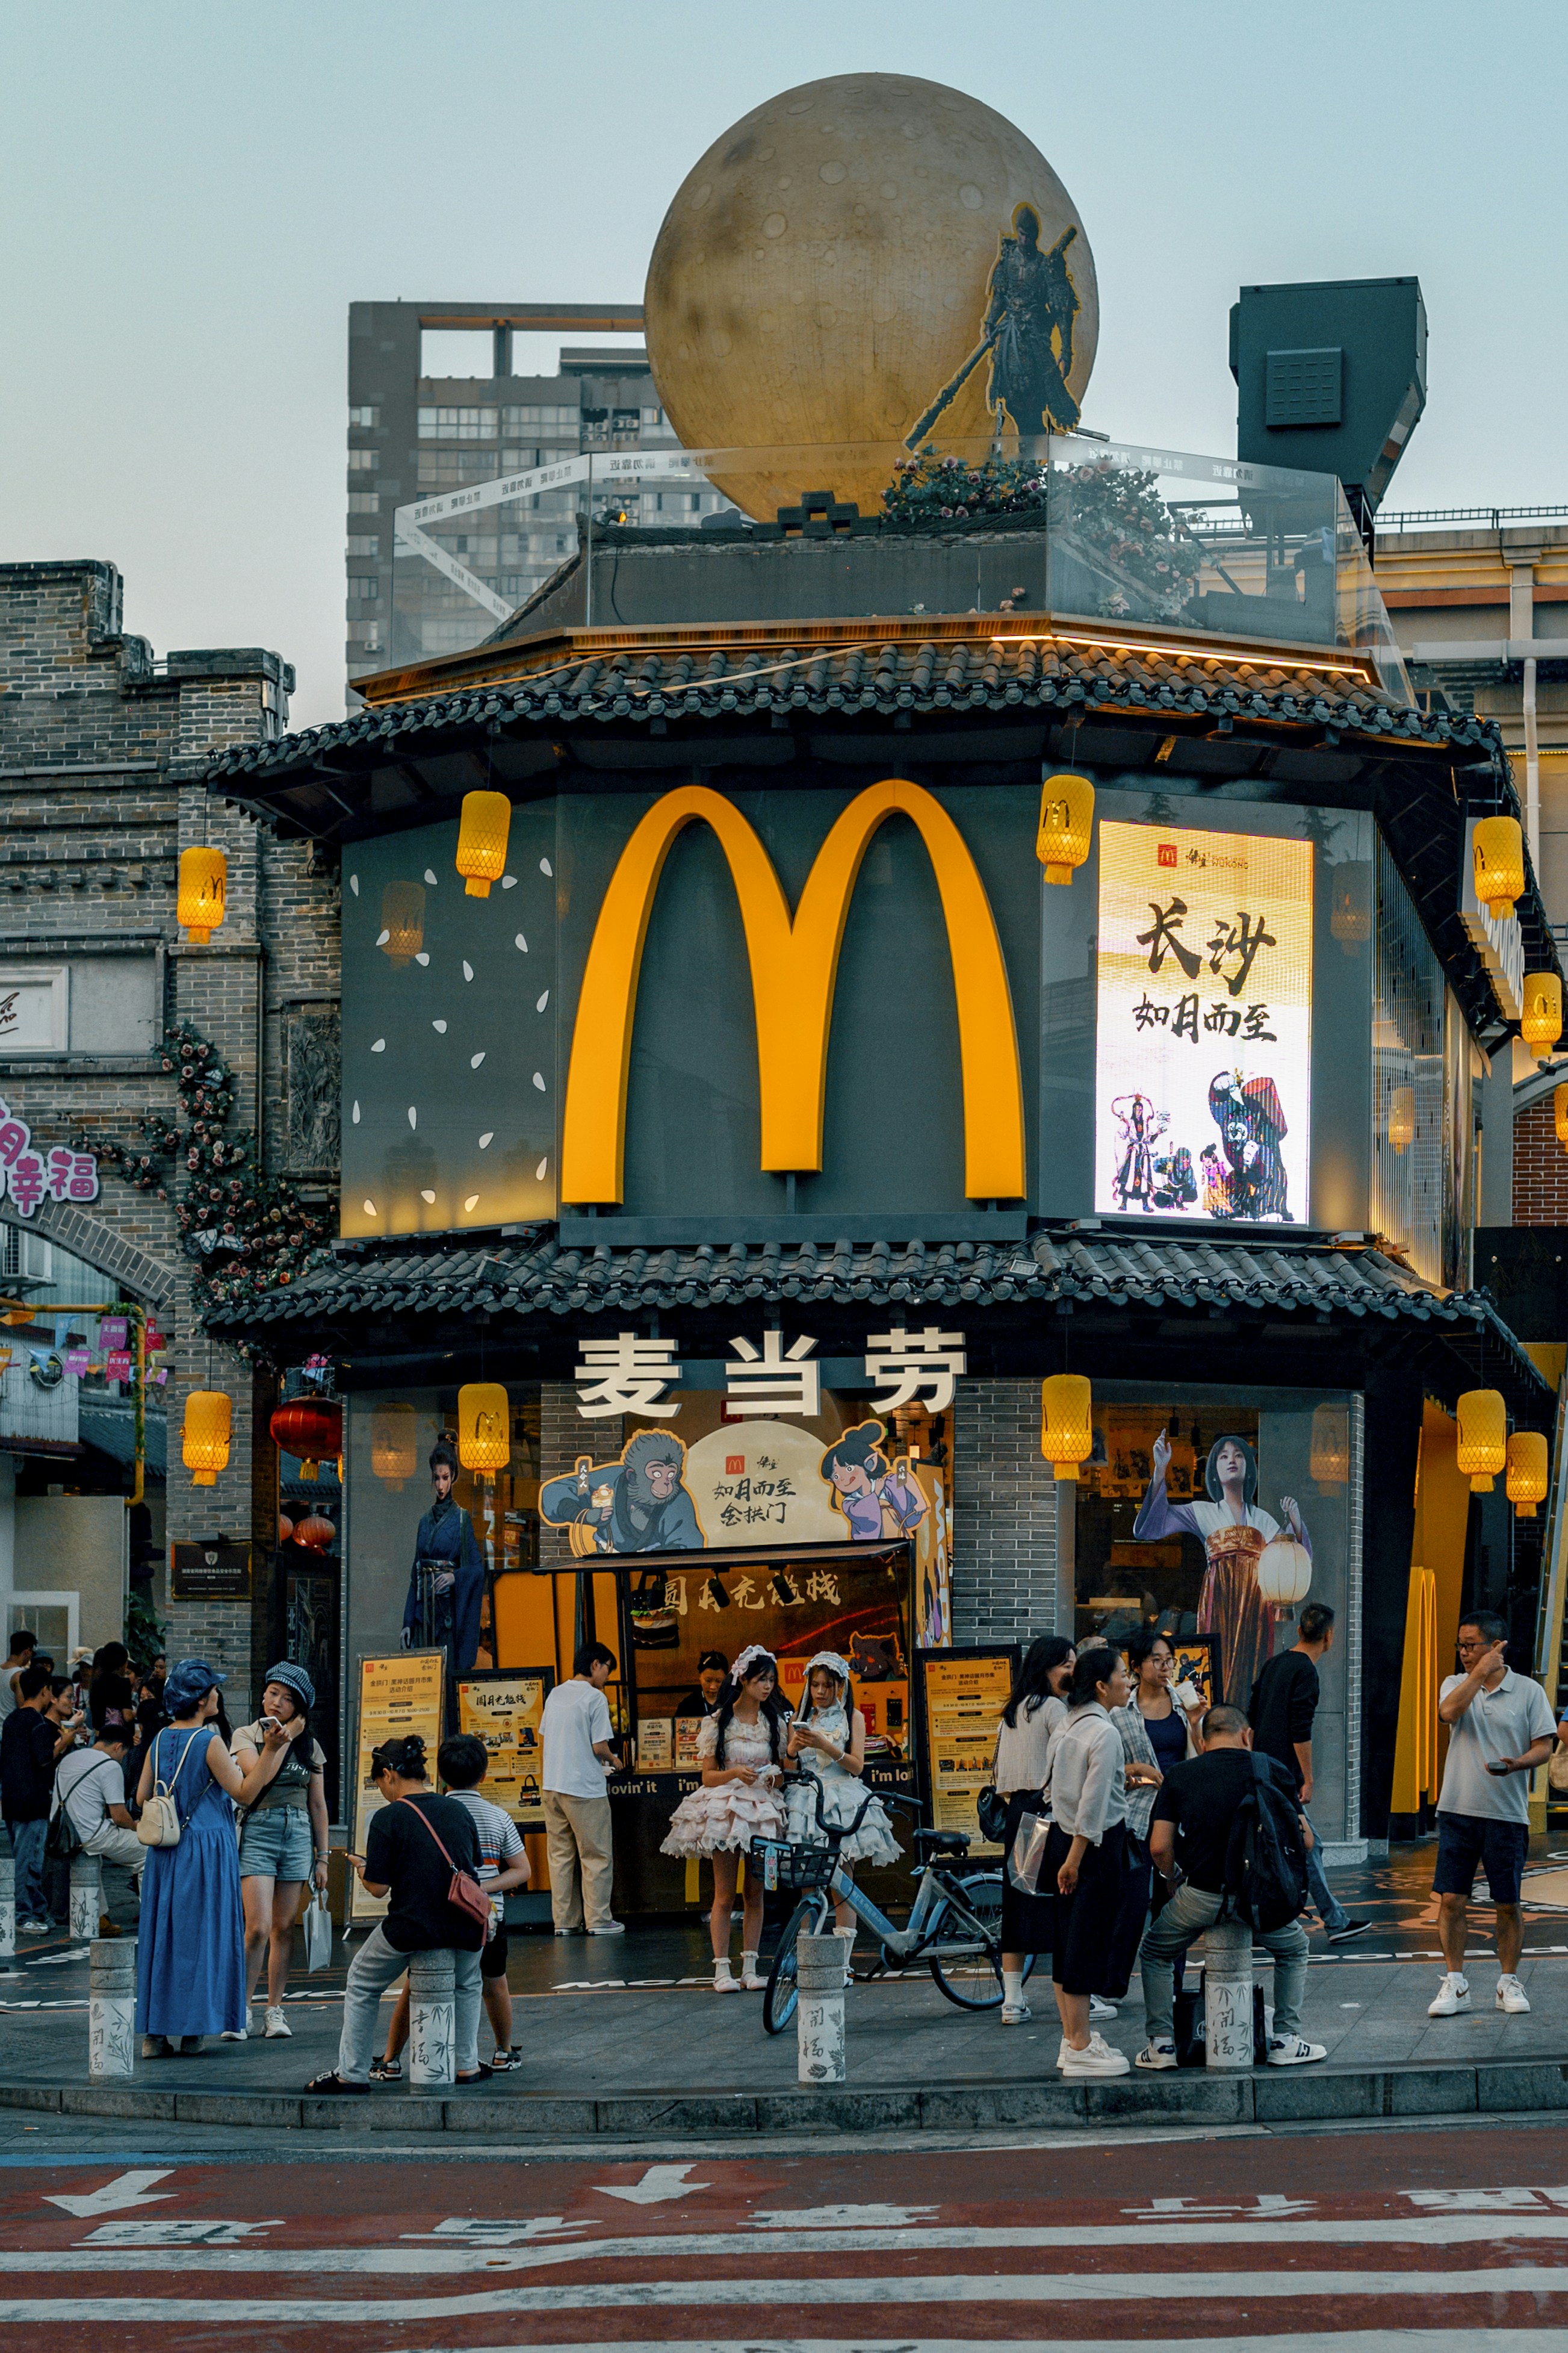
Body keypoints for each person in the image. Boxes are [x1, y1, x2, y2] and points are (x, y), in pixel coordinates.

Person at [1135, 1702, 1326, 2070]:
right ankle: (1286, 2039)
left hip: (1201, 1893)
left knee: (1156, 1952)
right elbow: (1305, 1841)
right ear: (1246, 1736)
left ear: (1204, 1743)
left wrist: (1174, 1879)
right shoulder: (1272, 1769)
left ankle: (1161, 2046)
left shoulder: (1181, 1775)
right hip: (1261, 1897)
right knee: (1294, 1949)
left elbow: (1159, 1846)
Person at [305, 1731, 489, 2094]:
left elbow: (379, 1888)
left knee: (361, 1981)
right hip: (466, 1922)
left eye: (380, 1783)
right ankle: (466, 2064)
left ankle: (352, 2073)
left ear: (388, 1774)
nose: (382, 1791)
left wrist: (362, 1869)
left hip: (413, 1925)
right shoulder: (457, 1808)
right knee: (468, 1983)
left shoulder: (388, 1817)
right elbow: (473, 1866)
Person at [135, 1659, 295, 2057]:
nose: (218, 1695)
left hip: (164, 1850)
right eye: (214, 1689)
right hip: (205, 1846)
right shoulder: (208, 1741)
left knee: (164, 1936)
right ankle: (193, 2032)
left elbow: (141, 1799)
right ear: (203, 1698)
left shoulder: (159, 1739)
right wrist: (272, 1750)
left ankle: (154, 2035)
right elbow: (244, 1792)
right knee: (201, 1935)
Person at [372, 1733, 532, 2081]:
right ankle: (503, 2051)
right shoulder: (498, 1817)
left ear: (439, 1775)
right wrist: (478, 1890)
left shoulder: (434, 1810)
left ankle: (391, 2058)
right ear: (485, 1775)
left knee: (417, 1985)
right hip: (486, 1917)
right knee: (493, 1984)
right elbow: (523, 1870)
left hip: (437, 1917)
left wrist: (461, 1889)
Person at [1427, 1610, 1557, 2019]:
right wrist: (1478, 1672)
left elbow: (1545, 1746)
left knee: (1507, 1902)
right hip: (1457, 1809)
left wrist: (1519, 1763)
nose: (1463, 1653)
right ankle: (1455, 1981)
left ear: (1497, 1645)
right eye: (1460, 1646)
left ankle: (1507, 1982)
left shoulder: (1528, 1691)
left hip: (1506, 1812)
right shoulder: (1455, 1684)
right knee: (1451, 1899)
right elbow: (1447, 1714)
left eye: (1471, 1645)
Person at [1134, 1429, 1309, 1708]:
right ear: (1214, 1470)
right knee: (1218, 1668)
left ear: (1249, 1468)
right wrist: (1160, 1470)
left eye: (1239, 1456)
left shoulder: (1262, 1520)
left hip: (1256, 1604)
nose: (1232, 1460)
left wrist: (1296, 1523)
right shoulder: (1204, 1512)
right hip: (1220, 1601)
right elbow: (1150, 1528)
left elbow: (1295, 1561)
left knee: (1253, 1671)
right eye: (1224, 1456)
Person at [661, 1643, 792, 1991]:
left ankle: (750, 1968)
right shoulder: (719, 1722)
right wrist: (735, 1772)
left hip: (762, 1810)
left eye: (771, 1681)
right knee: (723, 1894)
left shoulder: (775, 1723)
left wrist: (769, 1777)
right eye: (762, 1680)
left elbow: (784, 1774)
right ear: (744, 1681)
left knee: (756, 1893)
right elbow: (707, 1776)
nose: (768, 1687)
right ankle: (722, 1970)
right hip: (727, 1809)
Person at [1248, 1601, 1368, 1947]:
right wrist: (1308, 1778)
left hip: (1262, 1769)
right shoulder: (1306, 1672)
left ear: (1300, 1631)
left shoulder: (1274, 1664)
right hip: (1283, 1776)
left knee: (1282, 1846)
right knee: (1307, 1845)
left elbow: (1252, 1719)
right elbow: (1300, 1730)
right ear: (1329, 1637)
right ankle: (1334, 1921)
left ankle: (1321, 1919)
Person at [1043, 1645, 1133, 2076]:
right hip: (1091, 1848)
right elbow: (1093, 1805)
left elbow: (1058, 1792)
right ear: (1101, 1685)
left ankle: (1071, 2038)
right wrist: (1077, 1857)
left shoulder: (1066, 1725)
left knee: (1067, 1939)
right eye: (1122, 1674)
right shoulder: (1104, 1732)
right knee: (1087, 1940)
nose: (1128, 1681)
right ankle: (1079, 2045)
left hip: (1063, 1840)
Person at [232, 1662, 332, 2040]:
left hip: (298, 1834)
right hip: (258, 1829)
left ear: (299, 1710)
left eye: (288, 1699)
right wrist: (279, 1741)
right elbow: (254, 1780)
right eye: (274, 1693)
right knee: (256, 1928)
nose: (277, 1702)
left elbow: (318, 1806)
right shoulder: (244, 1735)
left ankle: (274, 2010)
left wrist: (322, 1857)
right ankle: (240, 2010)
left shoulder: (311, 1747)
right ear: (263, 1695)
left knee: (283, 1928)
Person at [784, 1651, 901, 1969]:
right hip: (806, 1802)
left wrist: (826, 1746)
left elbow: (857, 1766)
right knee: (808, 1882)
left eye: (828, 1685)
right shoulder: (801, 1717)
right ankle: (807, 1961)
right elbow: (789, 1767)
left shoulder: (854, 1718)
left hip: (842, 1800)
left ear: (840, 1686)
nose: (821, 1692)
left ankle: (844, 1963)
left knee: (843, 1883)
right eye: (815, 1685)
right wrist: (792, 1749)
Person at [994, 1634, 1074, 2025]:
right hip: (1048, 1814)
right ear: (1046, 1667)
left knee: (1018, 1904)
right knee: (1062, 1905)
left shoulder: (1012, 1711)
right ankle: (1078, 1999)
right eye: (1066, 1664)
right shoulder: (1054, 1709)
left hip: (1018, 1816)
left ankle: (1011, 2000)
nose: (1071, 1671)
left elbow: (1000, 1775)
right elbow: (1066, 1766)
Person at [540, 1641, 624, 1938]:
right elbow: (598, 1746)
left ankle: (564, 1922)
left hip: (552, 1785)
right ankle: (599, 1920)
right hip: (584, 1788)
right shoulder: (595, 1698)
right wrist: (615, 1759)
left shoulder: (555, 1694)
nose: (607, 1677)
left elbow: (547, 1735)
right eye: (607, 1670)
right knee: (596, 1856)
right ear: (595, 1665)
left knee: (560, 1857)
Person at [2, 1665, 85, 1932]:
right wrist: (66, 1740)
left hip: (12, 1799)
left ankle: (37, 1912)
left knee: (24, 1858)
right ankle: (24, 1916)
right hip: (33, 1800)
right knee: (30, 1863)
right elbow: (43, 1758)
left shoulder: (12, 1719)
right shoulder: (36, 1722)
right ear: (44, 1691)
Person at [402, 1438, 485, 1694]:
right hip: (423, 1613)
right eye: (436, 1478)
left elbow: (478, 1568)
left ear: (454, 1478)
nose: (440, 1485)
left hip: (447, 1613)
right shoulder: (424, 1521)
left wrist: (454, 1578)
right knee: (423, 1680)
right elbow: (416, 1573)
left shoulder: (461, 1520)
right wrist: (407, 1621)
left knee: (446, 1679)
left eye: (445, 1478)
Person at [53, 1718, 141, 1926]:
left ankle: (99, 1918)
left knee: (94, 1858)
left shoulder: (70, 1758)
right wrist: (137, 1826)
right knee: (148, 1852)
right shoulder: (109, 1765)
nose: (122, 1760)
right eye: (124, 1755)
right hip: (91, 1835)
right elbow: (119, 1816)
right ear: (119, 1747)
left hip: (65, 1834)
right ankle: (153, 1915)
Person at [87, 1643, 135, 1732]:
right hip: (117, 1734)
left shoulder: (95, 1682)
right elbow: (127, 1716)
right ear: (122, 1664)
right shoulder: (123, 1684)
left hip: (100, 1733)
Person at [674, 1652, 730, 1719]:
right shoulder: (688, 1705)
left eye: (719, 1681)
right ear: (700, 1677)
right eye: (708, 1681)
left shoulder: (733, 1701)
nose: (713, 1687)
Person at [0, 1628, 35, 1717]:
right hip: (9, 1728)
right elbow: (23, 1708)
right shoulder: (19, 1675)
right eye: (33, 1653)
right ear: (27, 1652)